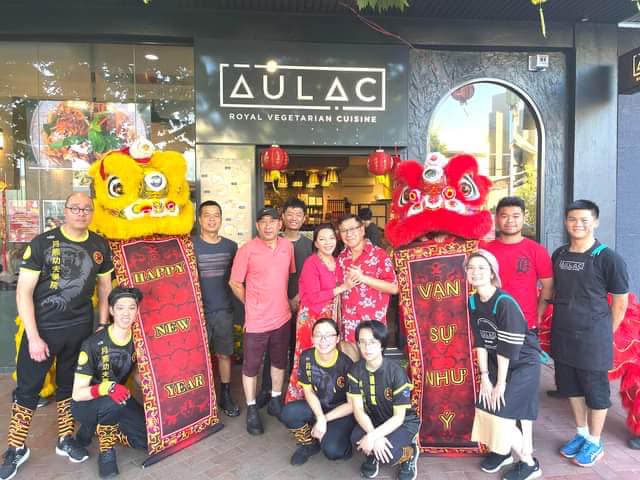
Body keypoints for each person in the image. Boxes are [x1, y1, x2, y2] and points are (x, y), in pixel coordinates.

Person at [0, 192, 113, 480]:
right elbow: (23, 292)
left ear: (92, 212)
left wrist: (102, 325)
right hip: (42, 331)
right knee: (27, 390)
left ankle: (65, 438)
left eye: (87, 208)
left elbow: (104, 289)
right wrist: (34, 337)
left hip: (79, 331)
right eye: (75, 207)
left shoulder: (99, 245)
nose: (81, 212)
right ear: (65, 210)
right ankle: (16, 447)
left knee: (68, 387)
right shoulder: (42, 243)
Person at [552, 200, 629, 467]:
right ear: (566, 222)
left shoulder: (609, 258)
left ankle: (595, 442)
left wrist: (605, 334)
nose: (578, 224)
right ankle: (581, 434)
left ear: (595, 222)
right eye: (573, 219)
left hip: (593, 338)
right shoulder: (560, 254)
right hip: (562, 334)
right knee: (571, 388)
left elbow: (620, 302)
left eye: (584, 220)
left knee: (596, 392)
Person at [465, 250, 542, 480]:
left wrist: (500, 383)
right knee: (487, 404)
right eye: (471, 268)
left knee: (503, 412)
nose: (475, 272)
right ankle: (503, 452)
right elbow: (479, 340)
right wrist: (485, 376)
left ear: (492, 273)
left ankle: (530, 464)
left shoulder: (504, 302)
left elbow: (507, 349)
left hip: (522, 362)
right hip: (497, 361)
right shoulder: (473, 300)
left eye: (482, 268)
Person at [229, 207, 295, 435]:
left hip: (283, 316)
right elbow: (235, 283)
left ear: (280, 224)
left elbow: (285, 277)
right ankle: (252, 408)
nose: (268, 225)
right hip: (256, 320)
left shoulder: (288, 247)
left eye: (272, 221)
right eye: (263, 222)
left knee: (279, 361)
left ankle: (276, 398)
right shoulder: (246, 250)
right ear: (257, 226)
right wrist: (252, 303)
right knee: (251, 366)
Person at [71, 287, 147, 478]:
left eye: (131, 308)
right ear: (111, 311)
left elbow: (137, 373)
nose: (126, 313)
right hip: (87, 403)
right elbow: (77, 393)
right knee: (111, 403)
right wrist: (107, 387)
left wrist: (153, 388)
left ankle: (98, 429)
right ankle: (106, 455)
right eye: (120, 308)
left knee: (146, 440)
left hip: (118, 397)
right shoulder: (92, 344)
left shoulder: (138, 341)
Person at [285, 224, 354, 402]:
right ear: (315, 242)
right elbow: (314, 297)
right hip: (312, 318)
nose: (327, 242)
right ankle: (299, 399)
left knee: (327, 356)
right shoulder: (311, 263)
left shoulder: (337, 261)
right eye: (322, 239)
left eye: (331, 238)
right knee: (308, 356)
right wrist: (342, 288)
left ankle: (324, 397)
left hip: (329, 316)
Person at [257, 198, 313, 408]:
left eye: (299, 214)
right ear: (283, 217)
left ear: (304, 218)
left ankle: (291, 391)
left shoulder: (309, 244)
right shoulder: (273, 241)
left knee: (296, 348)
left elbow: (313, 274)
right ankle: (267, 389)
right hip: (276, 305)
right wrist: (283, 299)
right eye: (290, 214)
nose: (294, 218)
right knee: (273, 348)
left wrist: (297, 298)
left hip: (301, 305)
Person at [348, 320, 420, 480]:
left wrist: (372, 437)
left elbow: (399, 417)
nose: (367, 348)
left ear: (382, 344)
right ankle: (373, 455)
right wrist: (374, 435)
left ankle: (410, 453)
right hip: (375, 419)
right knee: (356, 438)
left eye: (372, 342)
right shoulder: (355, 370)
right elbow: (358, 409)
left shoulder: (396, 373)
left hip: (403, 422)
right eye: (362, 342)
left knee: (390, 455)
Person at [281, 318, 355, 466]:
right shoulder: (306, 357)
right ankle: (309, 445)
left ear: (337, 338)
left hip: (341, 411)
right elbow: (308, 391)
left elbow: (352, 405)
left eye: (329, 335)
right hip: (318, 407)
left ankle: (343, 441)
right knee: (289, 412)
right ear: (312, 338)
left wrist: (324, 420)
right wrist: (320, 417)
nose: (323, 340)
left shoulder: (346, 364)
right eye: (318, 335)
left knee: (333, 451)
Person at [192, 200, 240, 417]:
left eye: (216, 215)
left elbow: (237, 279)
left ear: (221, 219)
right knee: (197, 357)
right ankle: (200, 399)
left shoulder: (231, 246)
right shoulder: (189, 245)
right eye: (207, 215)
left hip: (223, 311)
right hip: (197, 312)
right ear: (199, 219)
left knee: (224, 354)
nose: (212, 219)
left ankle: (225, 394)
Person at [484, 197, 553, 333]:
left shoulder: (536, 250)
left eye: (515, 216)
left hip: (525, 324)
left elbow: (548, 287)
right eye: (504, 216)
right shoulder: (485, 250)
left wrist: (538, 315)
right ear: (497, 218)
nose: (510, 221)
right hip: (491, 322)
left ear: (524, 217)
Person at [337, 214, 398, 358]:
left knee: (372, 375)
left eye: (353, 229)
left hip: (372, 330)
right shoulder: (341, 257)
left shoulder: (379, 255)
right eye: (344, 231)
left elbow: (393, 287)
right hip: (348, 329)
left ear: (362, 230)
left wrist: (363, 278)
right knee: (350, 373)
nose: (349, 234)